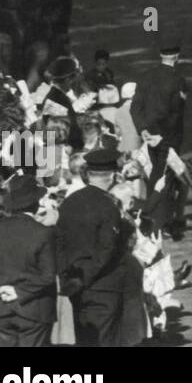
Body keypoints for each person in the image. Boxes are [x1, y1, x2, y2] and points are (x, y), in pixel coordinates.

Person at [55, 148, 131, 346]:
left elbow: (59, 244)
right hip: (104, 286)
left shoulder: (69, 202)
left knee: (85, 339)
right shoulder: (108, 205)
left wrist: (68, 278)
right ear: (114, 175)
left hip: (75, 284)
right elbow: (107, 249)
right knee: (106, 339)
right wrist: (86, 277)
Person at [0, 178, 56, 347]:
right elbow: (48, 276)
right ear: (36, 204)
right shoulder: (43, 233)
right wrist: (19, 292)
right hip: (34, 309)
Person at [130, 45, 189, 238]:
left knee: (155, 175)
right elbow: (174, 113)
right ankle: (153, 219)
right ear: (177, 57)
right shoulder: (177, 80)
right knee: (165, 179)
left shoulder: (145, 77)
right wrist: (163, 135)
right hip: (167, 137)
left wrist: (144, 130)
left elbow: (135, 108)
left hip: (149, 136)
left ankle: (158, 219)